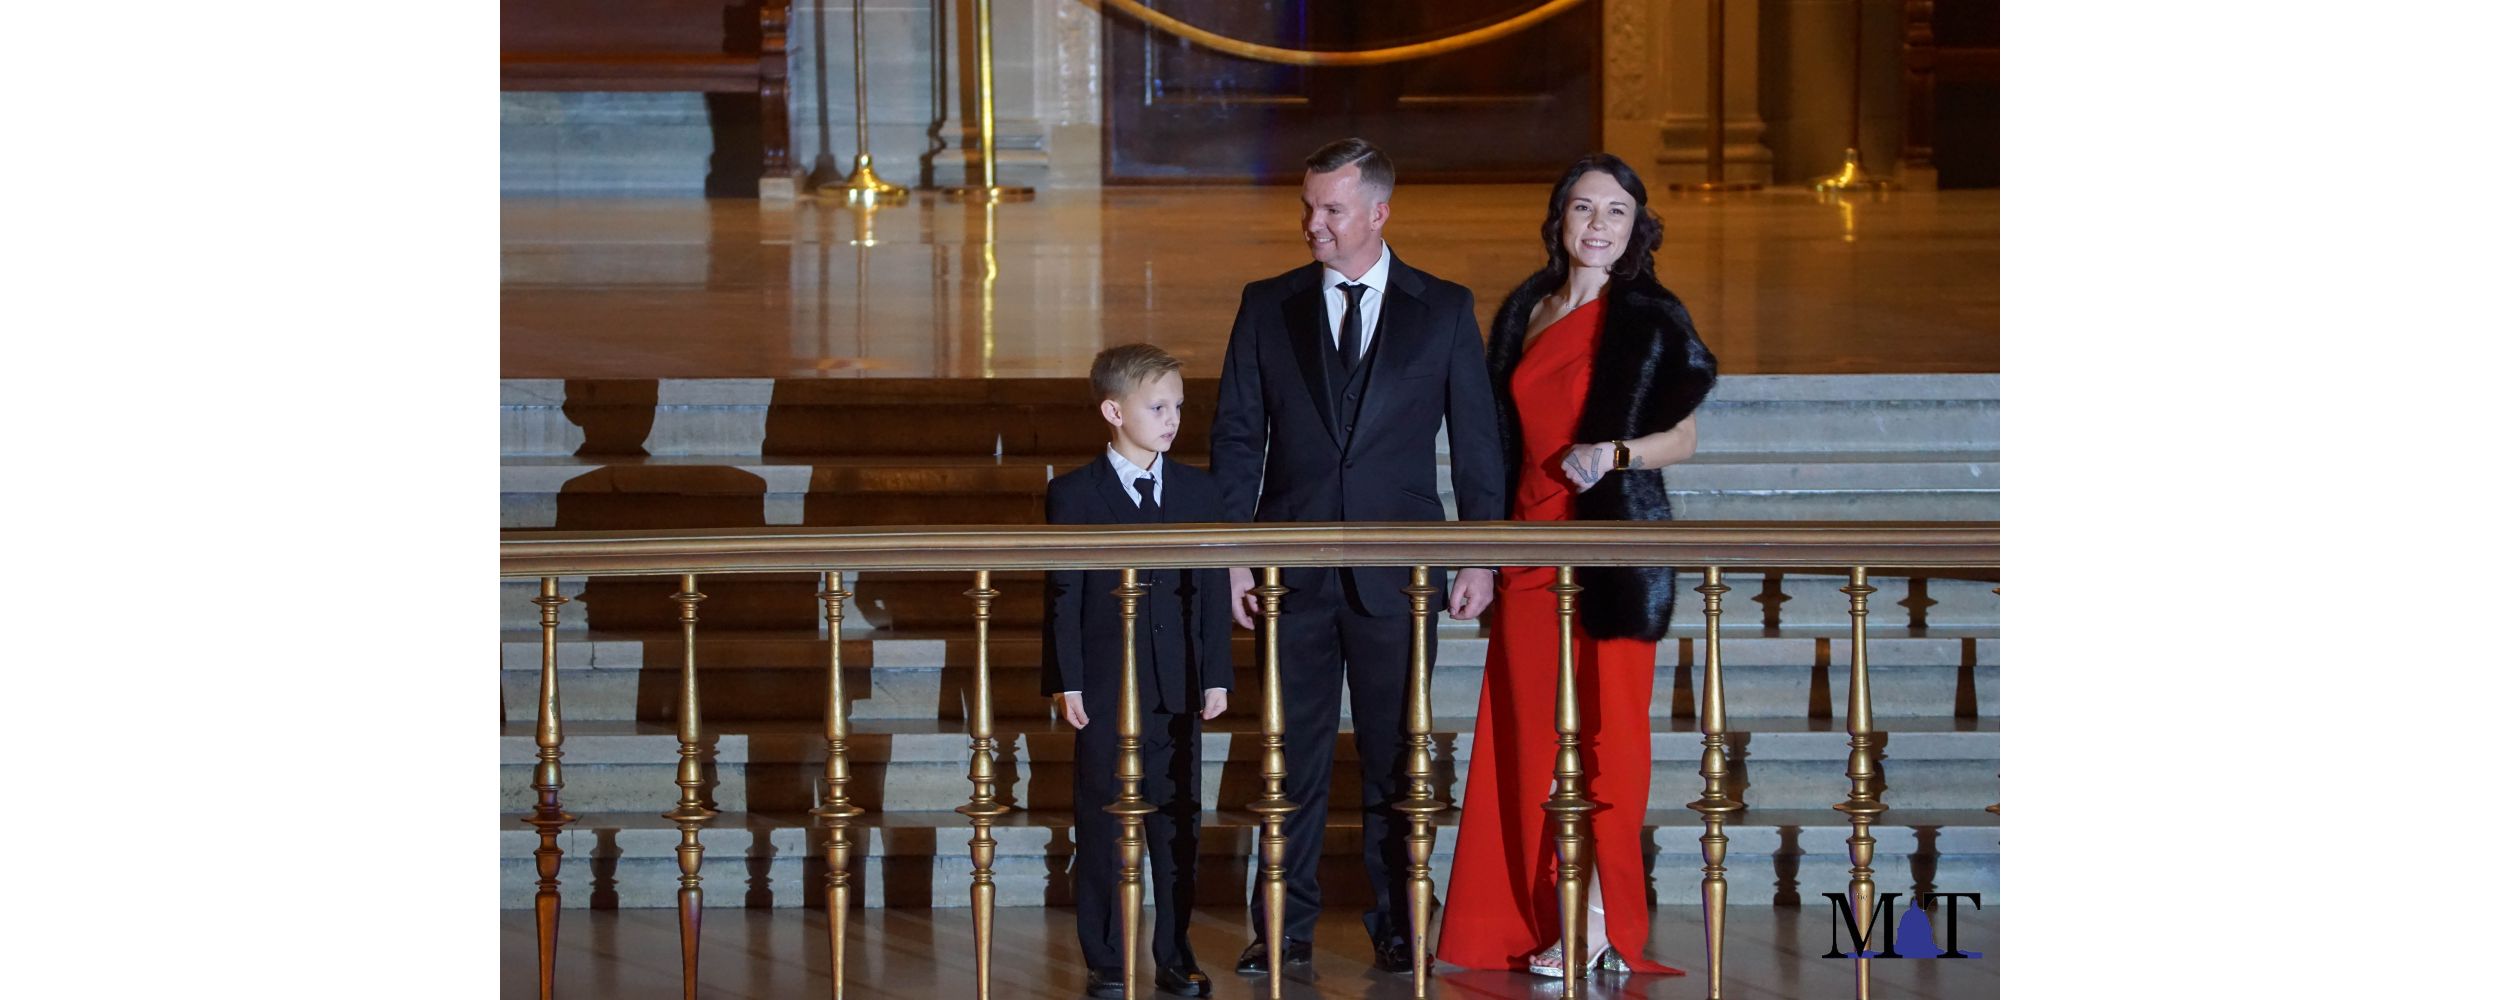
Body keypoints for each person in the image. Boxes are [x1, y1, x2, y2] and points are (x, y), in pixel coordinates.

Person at [1207, 137, 1506, 976]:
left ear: (1379, 212)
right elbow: (1237, 438)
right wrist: (1232, 555)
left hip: (1401, 579)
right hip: (1287, 576)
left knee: (1399, 760)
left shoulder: (1442, 308)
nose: (1313, 224)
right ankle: (1282, 927)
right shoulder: (1266, 304)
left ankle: (1404, 924)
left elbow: (1477, 444)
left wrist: (1480, 556)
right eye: (1308, 207)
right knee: (1287, 762)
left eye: (1331, 209)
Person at [1436, 153, 1718, 978]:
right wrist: (1482, 550)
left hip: (1614, 550)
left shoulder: (1648, 314)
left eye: (1616, 212)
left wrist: (1617, 452)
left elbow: (1684, 437)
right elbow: (1496, 440)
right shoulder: (1527, 308)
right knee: (1528, 734)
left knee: (1607, 735)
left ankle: (1594, 918)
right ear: (1559, 218)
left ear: (1637, 228)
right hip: (1529, 544)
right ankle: (1525, 914)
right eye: (1584, 208)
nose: (1598, 225)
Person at [1044, 343, 1237, 998]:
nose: (1172, 419)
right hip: (1104, 683)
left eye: (1178, 406)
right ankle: (1104, 956)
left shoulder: (1198, 490)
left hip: (1177, 684)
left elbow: (1211, 588)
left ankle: (1175, 953)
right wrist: (1066, 678)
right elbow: (1063, 591)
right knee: (1102, 819)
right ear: (1113, 411)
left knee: (1177, 821)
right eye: (1157, 407)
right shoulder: (1074, 494)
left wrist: (1216, 674)